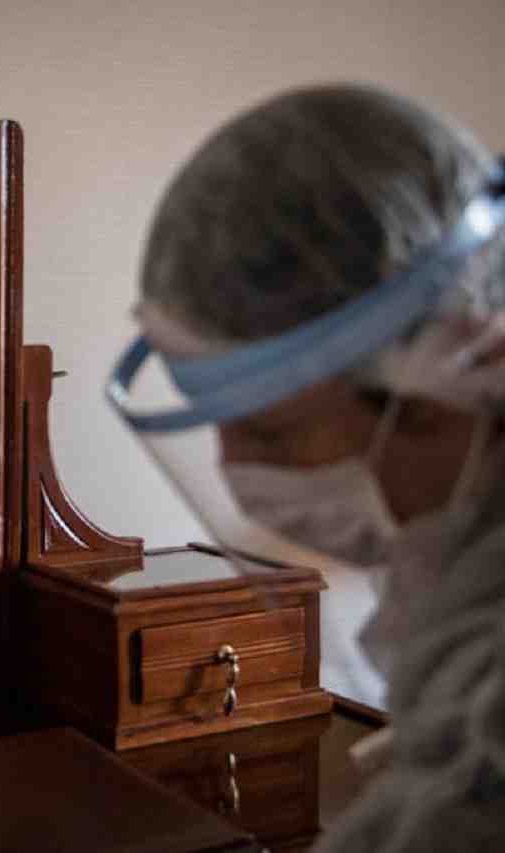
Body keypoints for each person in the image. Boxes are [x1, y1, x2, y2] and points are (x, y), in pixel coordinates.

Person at [106, 84, 505, 851]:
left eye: (271, 432)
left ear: (447, 374)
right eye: (222, 427)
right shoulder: (461, 568)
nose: (234, 468)